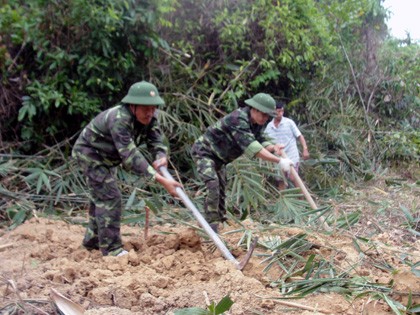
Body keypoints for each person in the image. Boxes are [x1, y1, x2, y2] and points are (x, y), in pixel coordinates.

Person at [72, 81, 182, 257]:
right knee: (110, 198)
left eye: (153, 108)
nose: (150, 112)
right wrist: (160, 179)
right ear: (133, 105)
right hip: (91, 154)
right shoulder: (119, 119)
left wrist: (161, 155)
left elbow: (157, 140)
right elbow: (130, 157)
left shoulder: (150, 117)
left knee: (101, 198)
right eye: (146, 108)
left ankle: (92, 242)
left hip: (109, 158)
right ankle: (112, 250)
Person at [191, 93, 287, 233]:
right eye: (264, 115)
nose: (266, 119)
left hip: (220, 159)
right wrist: (279, 161)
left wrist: (273, 148)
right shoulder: (238, 119)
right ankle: (211, 226)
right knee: (212, 184)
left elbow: (260, 140)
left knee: (222, 190)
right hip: (205, 152)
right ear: (254, 109)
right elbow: (254, 148)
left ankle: (220, 222)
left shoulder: (256, 123)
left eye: (268, 116)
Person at [265, 101, 310, 190]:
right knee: (281, 180)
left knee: (294, 177)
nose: (280, 113)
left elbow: (300, 136)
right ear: (273, 111)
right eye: (278, 111)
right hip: (279, 157)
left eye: (282, 111)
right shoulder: (269, 127)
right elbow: (266, 144)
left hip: (291, 154)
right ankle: (285, 201)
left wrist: (305, 149)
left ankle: (301, 200)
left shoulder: (289, 123)